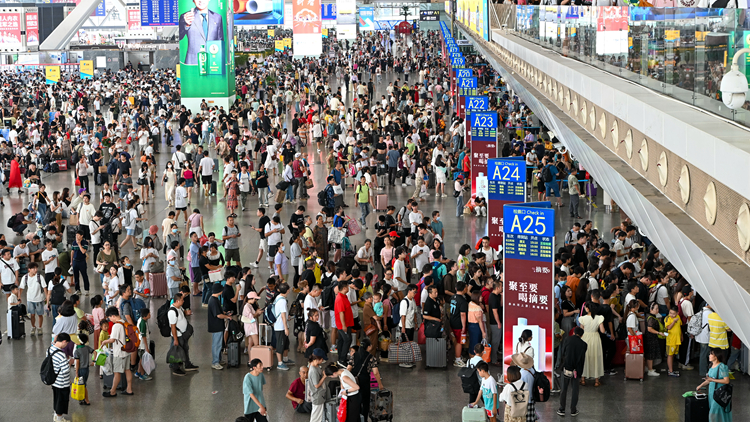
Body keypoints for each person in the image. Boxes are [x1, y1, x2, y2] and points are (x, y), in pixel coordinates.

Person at [100, 306, 134, 397]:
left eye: (110, 317)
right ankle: (129, 389)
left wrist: (104, 342)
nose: (110, 320)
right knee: (127, 370)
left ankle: (112, 391)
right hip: (127, 351)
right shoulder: (124, 322)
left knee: (117, 372)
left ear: (113, 315)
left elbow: (112, 340)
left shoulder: (116, 325)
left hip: (119, 353)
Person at [179, 0, 225, 65]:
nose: (201, 1)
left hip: (213, 61)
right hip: (193, 61)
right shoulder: (186, 16)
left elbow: (220, 41)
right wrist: (186, 25)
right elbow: (179, 37)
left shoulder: (217, 17)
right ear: (193, 1)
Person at [557, 327, 587, 417]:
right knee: (575, 390)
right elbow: (582, 360)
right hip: (576, 370)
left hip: (566, 367)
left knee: (563, 389)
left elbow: (563, 353)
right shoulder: (584, 344)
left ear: (573, 332)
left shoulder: (567, 339)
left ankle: (562, 409)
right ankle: (573, 410)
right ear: (582, 335)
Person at [696, 348, 732, 422]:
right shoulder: (711, 366)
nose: (709, 356)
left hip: (719, 394)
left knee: (713, 414)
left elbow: (726, 381)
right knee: (716, 414)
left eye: (711, 354)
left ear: (716, 356)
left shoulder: (722, 366)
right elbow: (708, 379)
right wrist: (700, 385)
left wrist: (712, 380)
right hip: (712, 394)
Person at [578, 302, 604, 386]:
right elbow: (602, 331)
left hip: (585, 338)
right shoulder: (599, 318)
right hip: (595, 338)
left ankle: (583, 379)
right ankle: (596, 381)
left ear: (587, 309)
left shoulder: (582, 318)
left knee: (585, 358)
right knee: (596, 357)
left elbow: (581, 330)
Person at [48, 333, 72, 422]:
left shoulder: (50, 349)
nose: (66, 346)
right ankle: (59, 419)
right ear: (64, 341)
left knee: (56, 399)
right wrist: (70, 362)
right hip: (62, 382)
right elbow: (65, 370)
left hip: (54, 380)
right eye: (66, 344)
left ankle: (55, 415)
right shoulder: (61, 354)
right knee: (62, 401)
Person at [208, 283, 231, 370]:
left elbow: (219, 312)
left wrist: (225, 313)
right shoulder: (213, 301)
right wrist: (227, 316)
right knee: (216, 344)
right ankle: (215, 362)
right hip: (216, 326)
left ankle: (219, 359)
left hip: (218, 325)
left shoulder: (214, 299)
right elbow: (218, 315)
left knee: (219, 343)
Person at [271, 282, 294, 370]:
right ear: (287, 291)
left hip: (280, 325)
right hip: (280, 327)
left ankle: (285, 359)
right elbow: (283, 316)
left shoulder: (278, 297)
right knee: (280, 345)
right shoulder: (283, 301)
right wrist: (286, 328)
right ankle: (280, 363)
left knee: (285, 343)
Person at [334, 280, 354, 366]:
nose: (349, 287)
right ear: (345, 288)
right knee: (347, 340)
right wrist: (343, 325)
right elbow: (341, 313)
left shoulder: (344, 296)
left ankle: (341, 358)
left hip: (347, 323)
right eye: (348, 286)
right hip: (343, 324)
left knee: (342, 340)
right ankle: (342, 359)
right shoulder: (340, 298)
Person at [307, 348, 329, 422]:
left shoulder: (313, 365)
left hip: (319, 395)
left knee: (318, 415)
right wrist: (324, 376)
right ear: (317, 359)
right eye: (322, 359)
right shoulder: (313, 370)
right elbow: (316, 385)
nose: (322, 361)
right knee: (316, 417)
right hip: (317, 396)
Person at [73, 333, 94, 406]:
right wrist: (94, 360)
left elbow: (77, 362)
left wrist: (76, 372)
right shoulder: (87, 348)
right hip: (86, 369)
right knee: (83, 384)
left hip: (81, 369)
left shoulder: (77, 351)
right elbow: (94, 351)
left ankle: (86, 400)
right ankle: (82, 398)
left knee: (83, 385)